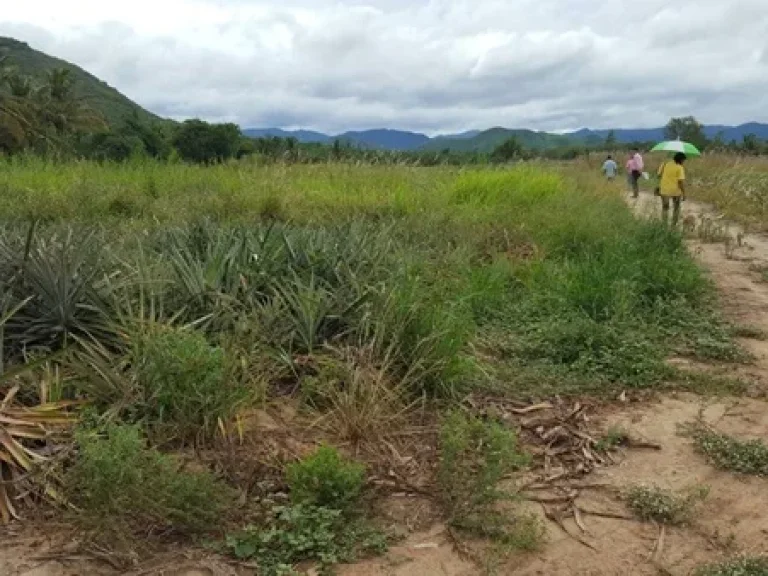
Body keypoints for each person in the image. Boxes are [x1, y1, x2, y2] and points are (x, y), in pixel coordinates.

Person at [657, 152, 686, 225]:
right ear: (681, 160)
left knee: (665, 208)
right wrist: (684, 193)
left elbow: (659, 175)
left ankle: (664, 225)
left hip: (664, 189)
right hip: (675, 191)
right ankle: (673, 225)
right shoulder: (680, 167)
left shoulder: (665, 164)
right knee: (676, 208)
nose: (684, 162)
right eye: (683, 160)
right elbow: (680, 182)